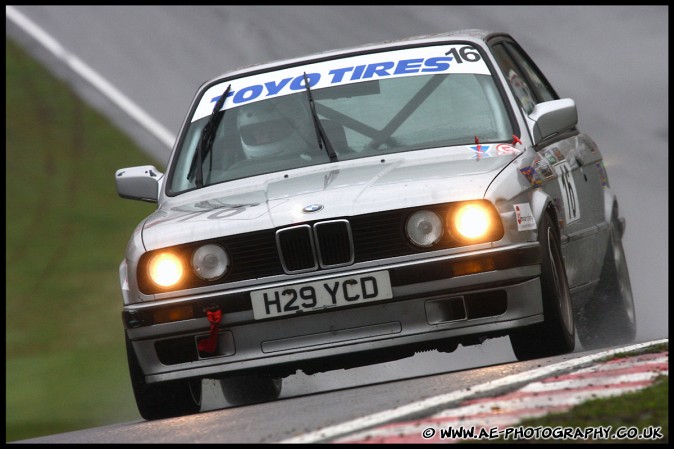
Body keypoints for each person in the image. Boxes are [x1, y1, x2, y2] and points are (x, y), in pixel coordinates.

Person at [236, 94, 318, 160]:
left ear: (298, 126)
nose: (265, 137)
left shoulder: (322, 155)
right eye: (259, 133)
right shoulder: (235, 172)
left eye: (272, 130)